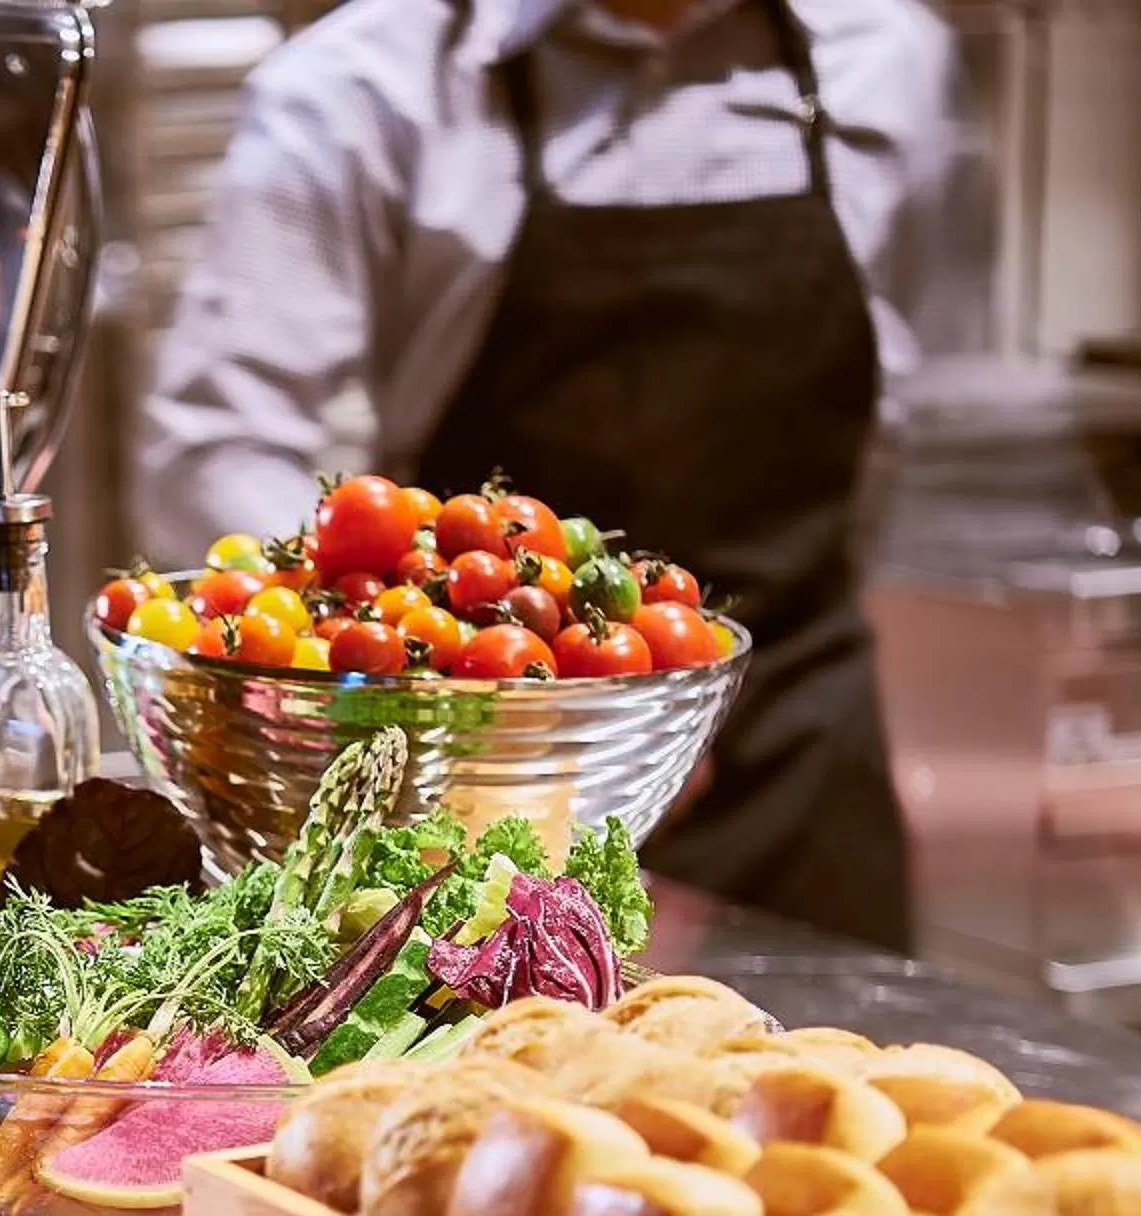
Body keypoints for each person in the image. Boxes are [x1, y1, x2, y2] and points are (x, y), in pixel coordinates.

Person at [139, 0, 957, 951]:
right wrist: (427, 691)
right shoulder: (362, 86)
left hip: (805, 767)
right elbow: (222, 441)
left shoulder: (892, 59)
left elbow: (919, 405)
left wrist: (672, 713)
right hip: (478, 796)